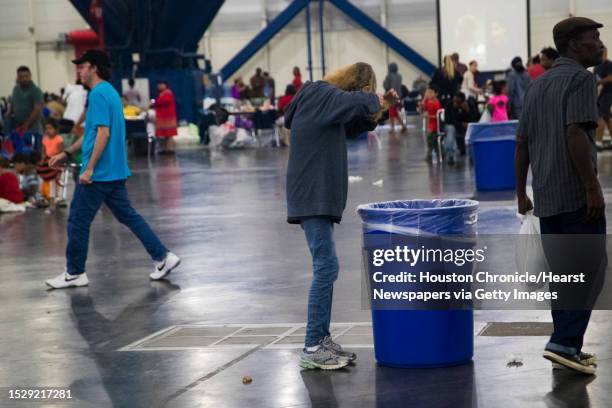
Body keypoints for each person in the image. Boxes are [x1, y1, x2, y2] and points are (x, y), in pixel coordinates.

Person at [285, 62, 398, 370]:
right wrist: (376, 100)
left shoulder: (322, 105)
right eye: (365, 91)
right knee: (326, 267)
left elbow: (353, 124)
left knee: (327, 267)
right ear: (356, 87)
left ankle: (321, 340)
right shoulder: (318, 92)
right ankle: (312, 345)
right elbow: (354, 103)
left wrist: (379, 111)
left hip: (316, 196)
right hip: (312, 196)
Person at [45, 49, 181, 289]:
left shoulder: (98, 94)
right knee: (128, 215)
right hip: (114, 171)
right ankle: (163, 256)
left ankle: (75, 272)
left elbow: (103, 134)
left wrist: (89, 168)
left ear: (94, 68)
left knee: (77, 220)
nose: (79, 70)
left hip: (98, 174)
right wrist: (66, 153)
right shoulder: (110, 93)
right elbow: (90, 134)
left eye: (82, 66)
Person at [515, 17, 606, 375]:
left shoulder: (538, 85)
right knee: (590, 270)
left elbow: (522, 142)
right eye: (593, 39)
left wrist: (521, 191)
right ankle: (565, 342)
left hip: (547, 196)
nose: (600, 44)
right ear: (573, 45)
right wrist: (591, 187)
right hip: (575, 195)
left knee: (563, 274)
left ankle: (565, 343)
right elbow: (575, 135)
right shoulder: (582, 79)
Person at [10, 66, 44, 150]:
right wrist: (8, 114)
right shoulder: (15, 89)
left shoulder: (36, 91)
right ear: (18, 77)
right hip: (18, 130)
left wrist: (26, 125)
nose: (24, 79)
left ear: (30, 76)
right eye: (21, 77)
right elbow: (12, 104)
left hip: (33, 130)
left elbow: (37, 110)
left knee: (34, 158)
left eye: (26, 76)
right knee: (20, 157)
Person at [153, 80, 178, 154]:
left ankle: (170, 149)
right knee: (165, 135)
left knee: (169, 134)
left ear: (165, 85)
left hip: (168, 117)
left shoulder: (167, 93)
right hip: (163, 117)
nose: (159, 86)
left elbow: (161, 102)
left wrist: (155, 102)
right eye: (158, 84)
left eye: (161, 84)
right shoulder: (162, 93)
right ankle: (165, 149)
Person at [445, 92, 472, 157]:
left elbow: (473, 118)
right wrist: (460, 124)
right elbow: (448, 120)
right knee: (451, 129)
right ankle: (450, 154)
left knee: (472, 127)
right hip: (452, 124)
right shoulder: (450, 105)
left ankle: (472, 154)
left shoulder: (468, 104)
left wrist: (467, 110)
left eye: (457, 101)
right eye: (454, 100)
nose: (455, 102)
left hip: (464, 125)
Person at [595, 46, 612, 147]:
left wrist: (600, 82)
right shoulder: (597, 67)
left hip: (608, 93)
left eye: (604, 52)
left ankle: (598, 141)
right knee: (606, 117)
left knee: (599, 116)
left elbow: (611, 77)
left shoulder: (608, 64)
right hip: (600, 94)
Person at [383, 62, 407, 132]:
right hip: (398, 96)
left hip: (391, 96)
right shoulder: (399, 76)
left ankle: (392, 128)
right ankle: (402, 125)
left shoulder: (388, 76)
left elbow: (386, 86)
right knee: (394, 112)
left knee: (391, 112)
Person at [421, 85, 442, 162]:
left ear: (436, 94)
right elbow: (424, 108)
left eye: (431, 92)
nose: (429, 94)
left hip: (435, 126)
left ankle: (433, 154)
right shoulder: (429, 102)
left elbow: (438, 116)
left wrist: (428, 116)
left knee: (431, 140)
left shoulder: (436, 103)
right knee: (432, 141)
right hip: (431, 125)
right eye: (428, 92)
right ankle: (435, 154)